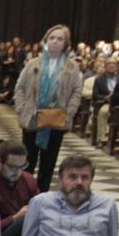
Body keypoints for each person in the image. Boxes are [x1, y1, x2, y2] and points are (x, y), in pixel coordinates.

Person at [14, 24, 83, 192]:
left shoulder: (71, 67)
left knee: (48, 161)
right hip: (33, 116)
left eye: (60, 39)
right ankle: (25, 193)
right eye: (52, 38)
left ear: (66, 44)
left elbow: (76, 92)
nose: (55, 42)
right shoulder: (33, 63)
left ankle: (42, 194)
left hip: (56, 118)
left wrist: (69, 112)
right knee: (28, 159)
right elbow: (20, 87)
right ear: (45, 40)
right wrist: (22, 109)